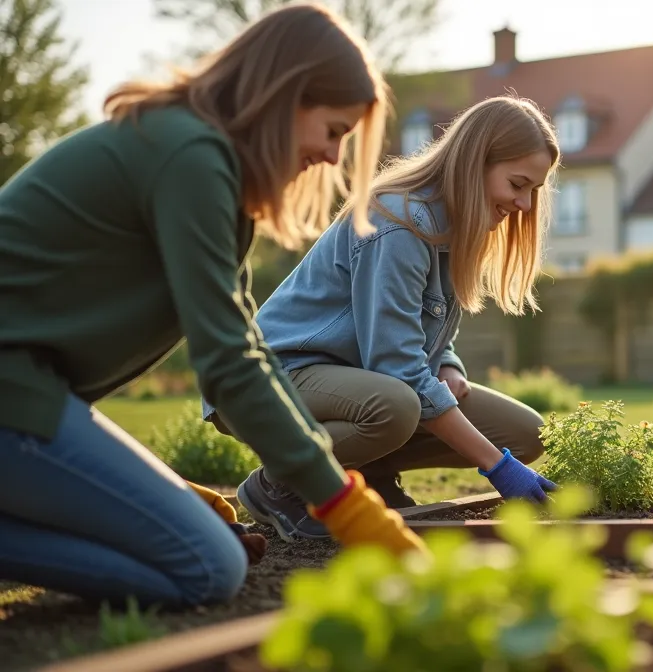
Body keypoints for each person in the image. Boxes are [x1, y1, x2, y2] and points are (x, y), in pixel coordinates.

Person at [0, 3, 428, 609]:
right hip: (13, 402)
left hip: (26, 398)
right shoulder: (190, 157)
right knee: (207, 564)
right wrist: (346, 508)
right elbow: (228, 365)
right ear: (286, 97)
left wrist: (162, 491)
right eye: (333, 131)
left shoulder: (201, 160)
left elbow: (249, 348)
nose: (333, 158)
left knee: (190, 542)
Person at [201, 95, 562, 542]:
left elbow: (414, 329)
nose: (524, 204)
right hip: (272, 376)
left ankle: (368, 475)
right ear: (475, 164)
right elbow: (401, 372)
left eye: (533, 190)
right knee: (396, 405)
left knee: (526, 433)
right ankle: (279, 486)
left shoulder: (454, 226)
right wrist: (498, 467)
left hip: (359, 382)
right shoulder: (399, 225)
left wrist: (447, 362)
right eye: (517, 184)